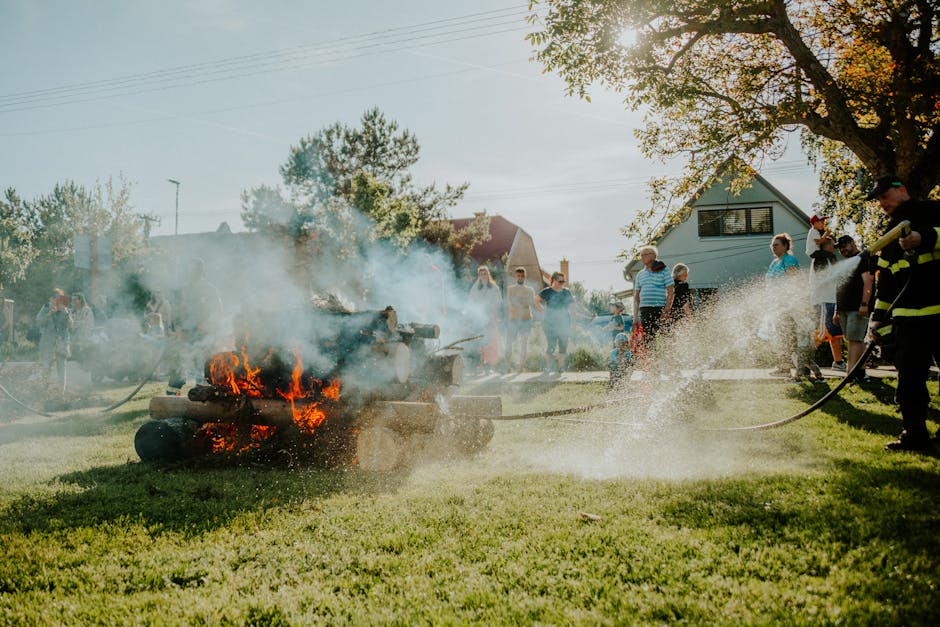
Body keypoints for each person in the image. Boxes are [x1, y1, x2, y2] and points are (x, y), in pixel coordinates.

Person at [865, 174, 940, 453]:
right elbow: (886, 283)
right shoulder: (890, 234)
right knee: (909, 380)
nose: (882, 203)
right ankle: (914, 435)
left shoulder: (933, 211)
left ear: (902, 190)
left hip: (938, 312)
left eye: (885, 196)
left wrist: (927, 237)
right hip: (908, 318)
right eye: (880, 199)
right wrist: (877, 318)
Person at [166, 258, 223, 395]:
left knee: (203, 365)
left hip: (204, 333)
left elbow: (217, 310)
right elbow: (176, 310)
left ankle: (202, 394)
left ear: (200, 271)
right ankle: (172, 394)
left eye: (193, 269)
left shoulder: (209, 289)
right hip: (185, 333)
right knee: (179, 362)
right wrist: (177, 327)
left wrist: (207, 324)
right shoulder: (184, 290)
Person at [834, 235, 874, 383]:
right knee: (857, 341)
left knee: (854, 340)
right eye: (840, 248)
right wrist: (836, 311)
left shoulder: (862, 260)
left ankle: (849, 374)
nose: (842, 249)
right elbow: (840, 287)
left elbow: (868, 282)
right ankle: (861, 373)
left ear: (853, 243)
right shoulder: (847, 263)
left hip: (856, 308)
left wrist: (864, 304)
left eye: (845, 245)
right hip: (844, 308)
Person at [809, 236, 847, 370]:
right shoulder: (820, 259)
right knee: (820, 333)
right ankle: (804, 358)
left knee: (835, 334)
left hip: (831, 300)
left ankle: (838, 362)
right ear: (824, 246)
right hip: (822, 300)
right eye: (831, 244)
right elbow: (822, 279)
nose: (834, 248)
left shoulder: (830, 259)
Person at [766, 233, 801, 376]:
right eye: (772, 245)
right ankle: (784, 366)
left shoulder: (789, 259)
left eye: (776, 245)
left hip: (787, 305)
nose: (773, 248)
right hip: (775, 305)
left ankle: (793, 367)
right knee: (781, 335)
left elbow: (795, 281)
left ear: (785, 246)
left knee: (788, 335)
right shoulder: (774, 262)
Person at [632, 245, 674, 350]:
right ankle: (653, 362)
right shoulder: (640, 274)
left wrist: (667, 310)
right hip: (645, 309)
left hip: (660, 308)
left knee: (667, 336)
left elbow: (671, 291)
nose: (642, 257)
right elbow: (636, 297)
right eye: (641, 255)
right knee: (649, 338)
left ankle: (670, 360)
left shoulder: (664, 270)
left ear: (654, 256)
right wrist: (635, 317)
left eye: (645, 255)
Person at [535, 271, 575, 374]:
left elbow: (572, 307)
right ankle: (548, 368)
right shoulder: (547, 291)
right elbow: (536, 300)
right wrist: (543, 311)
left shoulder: (566, 292)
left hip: (564, 322)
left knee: (563, 345)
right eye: (560, 281)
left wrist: (574, 320)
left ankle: (561, 368)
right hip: (549, 323)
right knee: (551, 345)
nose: (562, 283)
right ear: (553, 280)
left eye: (563, 281)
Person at [36, 288, 72, 390]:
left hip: (62, 342)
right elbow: (39, 321)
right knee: (46, 367)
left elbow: (71, 325)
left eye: (59, 298)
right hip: (48, 342)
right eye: (54, 298)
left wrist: (65, 312)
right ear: (51, 299)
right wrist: (49, 314)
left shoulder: (65, 310)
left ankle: (61, 392)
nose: (56, 301)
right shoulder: (46, 307)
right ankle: (44, 390)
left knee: (61, 367)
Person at [468, 265, 502, 374]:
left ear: (488, 274)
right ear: (478, 275)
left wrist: (490, 309)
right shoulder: (475, 287)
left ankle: (490, 366)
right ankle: (480, 365)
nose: (483, 275)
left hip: (491, 318)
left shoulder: (494, 287)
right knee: (480, 342)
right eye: (481, 274)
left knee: (491, 342)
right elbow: (471, 302)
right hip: (479, 318)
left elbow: (498, 302)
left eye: (485, 273)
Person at [505, 266, 536, 372]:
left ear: (525, 277)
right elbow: (511, 302)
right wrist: (524, 302)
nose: (520, 277)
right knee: (509, 342)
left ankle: (520, 367)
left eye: (522, 276)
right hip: (513, 319)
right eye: (518, 275)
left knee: (523, 343)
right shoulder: (510, 289)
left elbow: (531, 303)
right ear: (515, 276)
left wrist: (521, 301)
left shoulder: (530, 290)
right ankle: (507, 366)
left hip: (526, 319)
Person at [69, 292, 96, 362]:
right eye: (72, 300)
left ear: (81, 300)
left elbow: (87, 323)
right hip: (73, 334)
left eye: (75, 299)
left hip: (84, 334)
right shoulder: (72, 311)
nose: (73, 302)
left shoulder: (86, 310)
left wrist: (74, 323)